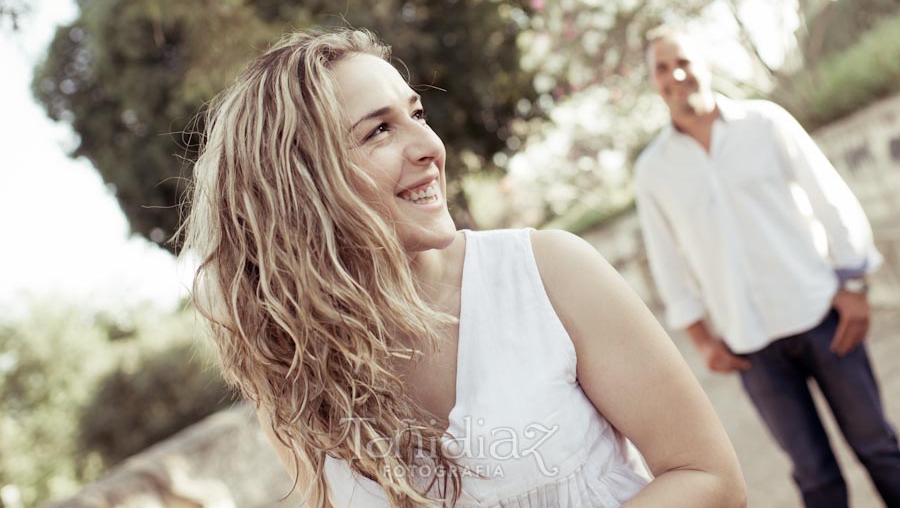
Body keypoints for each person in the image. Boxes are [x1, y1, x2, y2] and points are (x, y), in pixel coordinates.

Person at [180, 28, 746, 508]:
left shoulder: (550, 272)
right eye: (379, 130)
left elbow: (709, 478)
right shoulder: (293, 381)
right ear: (301, 189)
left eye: (416, 113)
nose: (429, 145)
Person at [634, 26, 900, 508]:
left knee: (879, 448)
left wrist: (856, 283)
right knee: (815, 477)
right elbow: (666, 261)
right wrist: (701, 338)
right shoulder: (653, 170)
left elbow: (831, 199)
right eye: (661, 67)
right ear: (653, 81)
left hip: (822, 317)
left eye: (684, 61)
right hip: (751, 346)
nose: (675, 74)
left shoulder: (766, 123)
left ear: (704, 63)